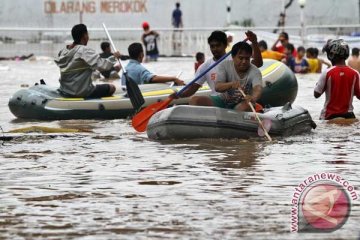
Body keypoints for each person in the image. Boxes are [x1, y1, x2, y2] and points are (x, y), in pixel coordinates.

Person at [173, 30, 262, 107]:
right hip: (218, 101)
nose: (215, 49)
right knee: (194, 100)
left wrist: (254, 42)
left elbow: (257, 64)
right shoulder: (205, 66)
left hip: (240, 100)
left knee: (245, 105)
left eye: (218, 45)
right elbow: (192, 89)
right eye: (212, 46)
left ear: (225, 45)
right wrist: (180, 94)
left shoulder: (236, 58)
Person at [55, 24, 119, 98]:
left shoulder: (63, 51)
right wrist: (114, 57)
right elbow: (103, 66)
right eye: (87, 34)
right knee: (112, 87)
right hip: (81, 92)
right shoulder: (85, 51)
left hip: (65, 90)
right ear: (85, 36)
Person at [314, 39, 360, 120]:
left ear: (331, 55)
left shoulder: (327, 72)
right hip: (349, 115)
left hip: (329, 115)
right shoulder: (355, 73)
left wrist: (317, 84)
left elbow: (316, 94)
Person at [215, 41, 263, 112]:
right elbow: (217, 87)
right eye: (241, 58)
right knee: (195, 100)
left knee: (247, 105)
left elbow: (258, 89)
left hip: (243, 103)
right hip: (222, 100)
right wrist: (231, 84)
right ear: (233, 57)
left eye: (247, 59)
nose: (244, 61)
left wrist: (253, 98)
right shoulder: (223, 65)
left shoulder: (255, 71)